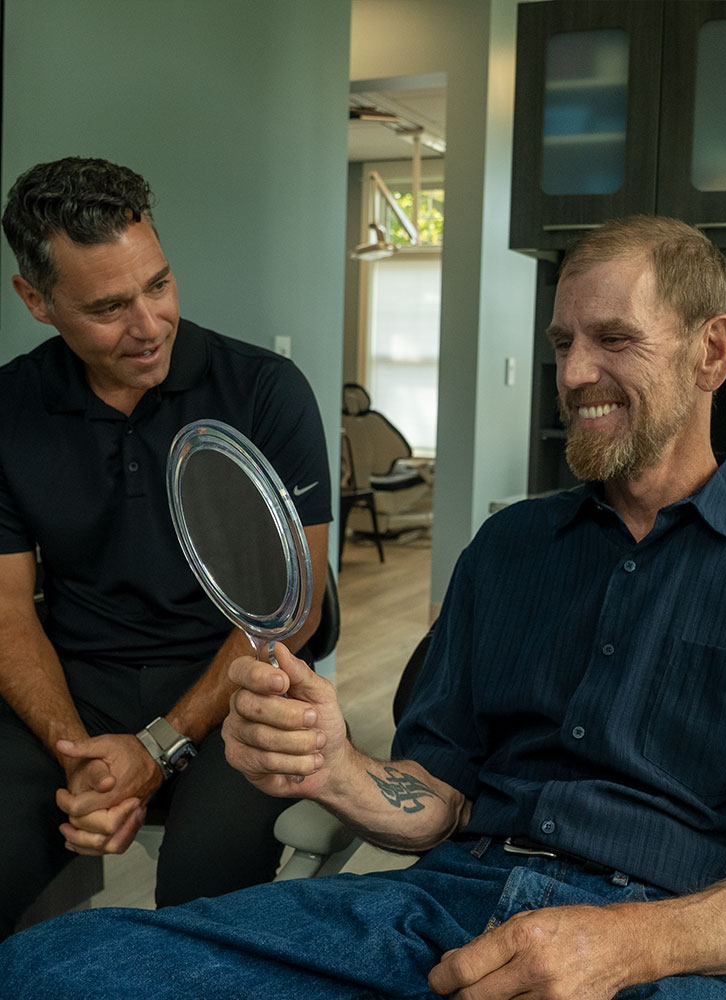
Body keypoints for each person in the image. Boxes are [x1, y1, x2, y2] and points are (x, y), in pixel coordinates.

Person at [0, 215, 726, 999]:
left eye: (614, 340)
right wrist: (336, 767)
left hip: (662, 950)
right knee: (49, 970)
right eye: (560, 344)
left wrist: (622, 943)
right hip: (440, 909)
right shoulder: (508, 552)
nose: (575, 373)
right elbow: (439, 804)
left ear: (711, 351)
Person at [0, 157, 331, 938]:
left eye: (158, 284)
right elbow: (9, 614)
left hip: (239, 681)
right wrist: (74, 749)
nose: (149, 325)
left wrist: (157, 748)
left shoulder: (264, 390)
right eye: (109, 307)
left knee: (199, 908)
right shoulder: (9, 408)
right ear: (37, 301)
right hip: (79, 686)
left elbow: (294, 608)